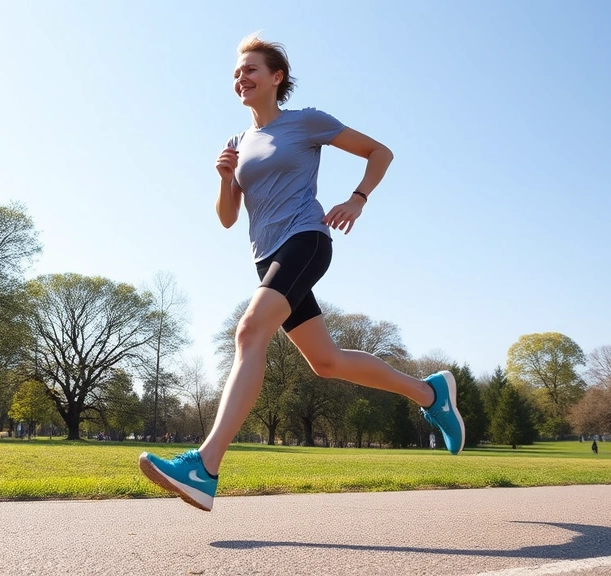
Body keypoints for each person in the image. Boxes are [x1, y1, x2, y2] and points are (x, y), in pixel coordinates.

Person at [138, 33, 465, 512]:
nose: (240, 78)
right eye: (236, 73)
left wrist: (357, 198)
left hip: (306, 241)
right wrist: (226, 178)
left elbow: (380, 152)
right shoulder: (236, 143)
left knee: (249, 333)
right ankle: (429, 392)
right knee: (325, 362)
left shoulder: (305, 122)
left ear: (276, 77)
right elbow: (228, 218)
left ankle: (204, 466)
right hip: (267, 258)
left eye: (250, 70)